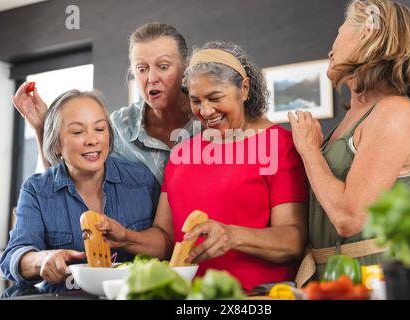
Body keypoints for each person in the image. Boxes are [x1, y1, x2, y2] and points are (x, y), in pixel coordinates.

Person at [97, 41, 310, 290]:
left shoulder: (280, 146)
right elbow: (166, 238)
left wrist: (232, 236)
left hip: (255, 297)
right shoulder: (182, 152)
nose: (206, 111)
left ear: (244, 88)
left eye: (214, 98)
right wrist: (127, 239)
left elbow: (293, 239)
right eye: (196, 101)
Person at [290, 0, 410, 287]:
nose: (331, 49)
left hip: (373, 279)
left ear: (367, 34)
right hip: (331, 278)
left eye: (339, 33)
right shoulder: (353, 117)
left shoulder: (393, 111)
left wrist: (310, 150)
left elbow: (349, 218)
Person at [0, 90, 158, 289]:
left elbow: (165, 242)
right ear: (56, 143)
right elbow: (12, 257)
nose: (92, 140)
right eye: (77, 132)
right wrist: (42, 259)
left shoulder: (141, 180)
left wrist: (127, 238)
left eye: (100, 129)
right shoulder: (36, 190)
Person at [12, 22, 194, 188]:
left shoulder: (211, 119)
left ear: (185, 67)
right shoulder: (115, 128)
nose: (152, 78)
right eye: (142, 69)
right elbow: (67, 182)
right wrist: (42, 128)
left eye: (163, 66)